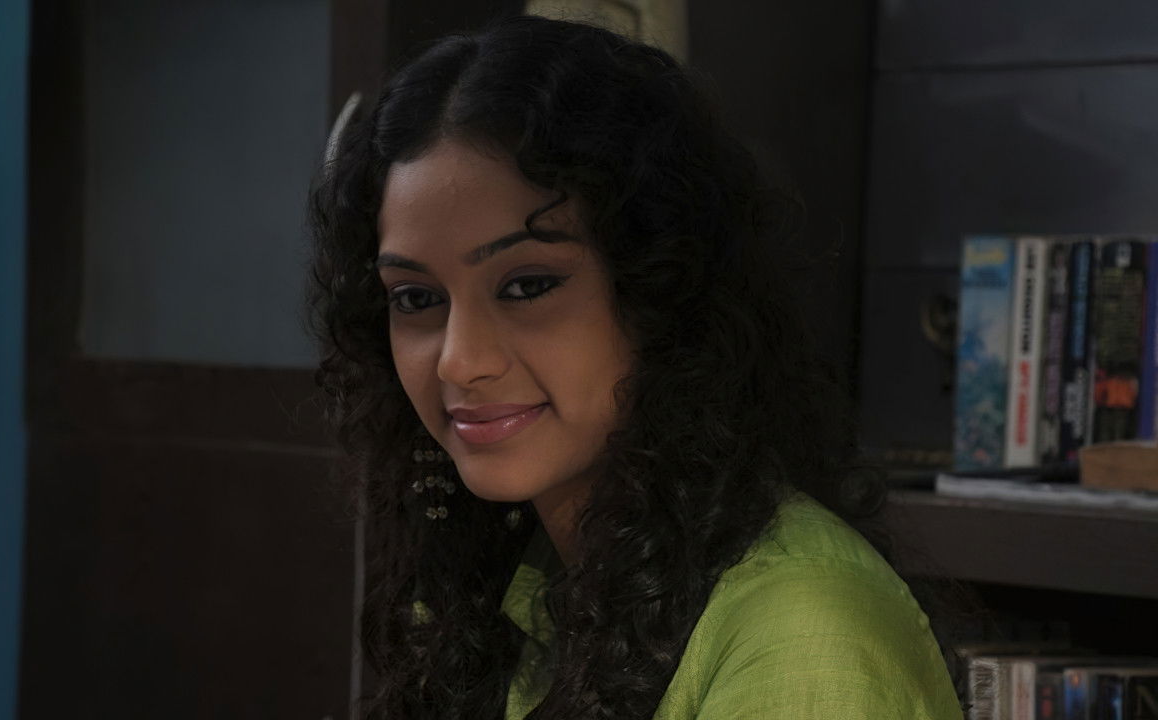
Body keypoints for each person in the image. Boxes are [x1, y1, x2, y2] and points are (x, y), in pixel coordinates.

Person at [309, 14, 965, 720]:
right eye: (416, 298)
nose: (460, 362)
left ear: (659, 290)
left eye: (527, 286)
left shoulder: (803, 634)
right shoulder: (522, 582)